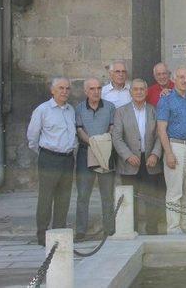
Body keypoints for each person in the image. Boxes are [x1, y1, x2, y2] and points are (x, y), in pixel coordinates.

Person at [27, 77, 78, 246]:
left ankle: (59, 232)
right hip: (49, 158)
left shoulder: (71, 110)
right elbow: (32, 137)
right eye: (61, 88)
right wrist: (46, 153)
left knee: (64, 198)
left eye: (67, 88)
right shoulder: (42, 110)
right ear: (53, 90)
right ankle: (42, 235)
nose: (65, 91)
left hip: (68, 159)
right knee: (46, 198)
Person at [112, 78, 165, 235]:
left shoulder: (153, 110)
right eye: (136, 89)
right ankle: (131, 230)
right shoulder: (121, 112)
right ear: (130, 92)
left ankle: (152, 231)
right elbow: (117, 137)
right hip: (129, 163)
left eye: (142, 89)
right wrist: (128, 156)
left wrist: (155, 154)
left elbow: (159, 136)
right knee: (130, 199)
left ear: (146, 91)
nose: (139, 92)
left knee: (152, 199)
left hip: (150, 161)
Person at [157, 67, 186, 234]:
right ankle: (174, 228)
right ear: (174, 79)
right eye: (181, 77)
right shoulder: (166, 99)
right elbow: (161, 129)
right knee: (175, 190)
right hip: (175, 147)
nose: (185, 80)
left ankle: (185, 224)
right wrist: (168, 153)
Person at [74, 78, 116, 241]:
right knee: (83, 194)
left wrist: (102, 143)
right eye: (92, 89)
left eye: (98, 88)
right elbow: (79, 130)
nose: (96, 92)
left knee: (107, 194)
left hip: (105, 153)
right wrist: (92, 142)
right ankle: (81, 231)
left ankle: (109, 229)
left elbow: (112, 127)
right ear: (86, 91)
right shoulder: (78, 109)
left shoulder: (110, 107)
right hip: (86, 152)